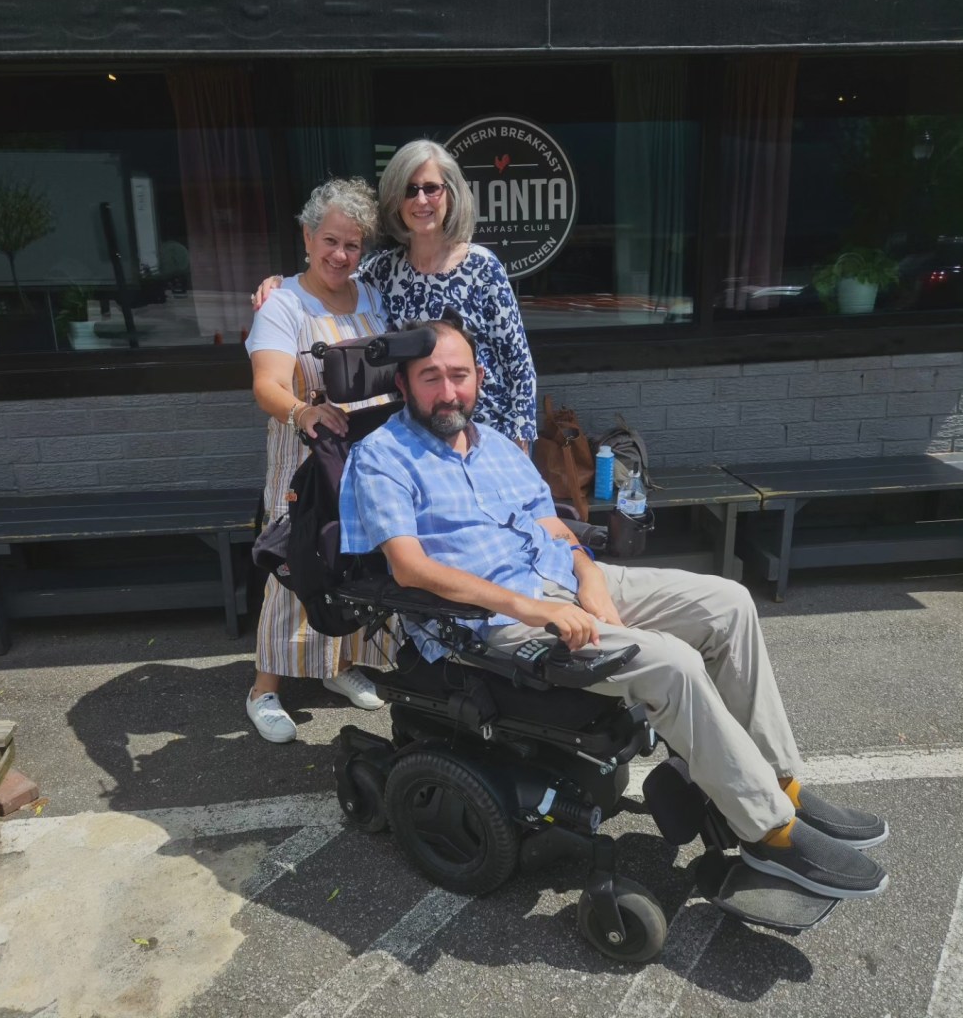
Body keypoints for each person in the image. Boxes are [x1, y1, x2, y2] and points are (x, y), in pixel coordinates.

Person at [337, 316, 890, 900]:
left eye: (459, 375)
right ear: (403, 383)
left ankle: (778, 782)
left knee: (729, 603)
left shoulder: (496, 444)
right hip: (486, 620)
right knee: (673, 665)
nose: (449, 392)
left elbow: (552, 526)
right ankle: (768, 832)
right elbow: (410, 568)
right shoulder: (382, 456)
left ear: (478, 377)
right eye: (431, 378)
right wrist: (532, 609)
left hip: (562, 578)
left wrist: (589, 576)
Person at [252, 139, 537, 446]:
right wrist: (281, 284)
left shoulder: (482, 267)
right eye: (409, 190)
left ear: (451, 194)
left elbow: (519, 364)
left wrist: (521, 439)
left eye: (431, 188)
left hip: (488, 436)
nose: (421, 200)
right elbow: (329, 276)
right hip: (415, 445)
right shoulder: (383, 271)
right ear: (396, 201)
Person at [244, 177, 392, 743]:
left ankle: (339, 664)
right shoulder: (283, 304)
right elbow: (267, 384)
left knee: (351, 559)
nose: (339, 255)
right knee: (296, 561)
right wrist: (302, 411)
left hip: (365, 456)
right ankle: (264, 690)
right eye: (329, 240)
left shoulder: (372, 296)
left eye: (352, 245)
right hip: (304, 455)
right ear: (307, 237)